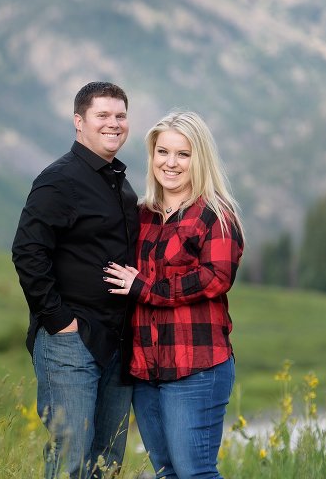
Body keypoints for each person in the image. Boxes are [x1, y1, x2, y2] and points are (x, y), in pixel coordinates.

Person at [103, 111, 244, 479]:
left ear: (200, 159)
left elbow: (215, 278)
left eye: (183, 154)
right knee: (166, 473)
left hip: (196, 366)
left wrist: (146, 289)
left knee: (194, 472)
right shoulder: (142, 214)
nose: (171, 163)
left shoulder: (215, 215)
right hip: (146, 368)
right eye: (162, 152)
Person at [12, 81, 139, 478]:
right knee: (70, 461)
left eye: (120, 115)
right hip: (73, 343)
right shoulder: (59, 180)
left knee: (106, 462)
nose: (113, 123)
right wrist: (59, 321)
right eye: (103, 115)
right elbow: (27, 252)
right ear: (79, 122)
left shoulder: (118, 182)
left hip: (117, 343)